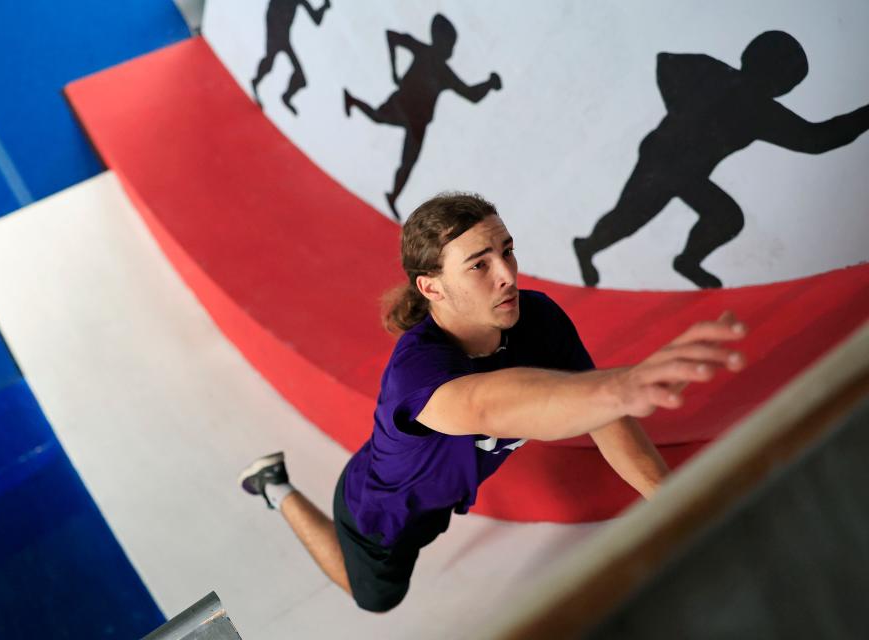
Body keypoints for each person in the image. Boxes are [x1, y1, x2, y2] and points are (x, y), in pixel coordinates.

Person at [239, 193, 748, 612]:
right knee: (375, 597)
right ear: (431, 287)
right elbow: (487, 407)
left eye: (507, 251)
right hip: (379, 513)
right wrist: (618, 388)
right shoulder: (417, 371)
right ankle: (275, 488)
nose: (507, 274)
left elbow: (605, 422)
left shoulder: (537, 317)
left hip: (442, 496)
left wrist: (677, 501)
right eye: (479, 264)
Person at [573, 30, 869, 289]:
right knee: (628, 218)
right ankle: (588, 248)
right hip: (662, 160)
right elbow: (666, 62)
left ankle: (687, 261)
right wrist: (679, 109)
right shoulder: (723, 81)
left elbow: (817, 139)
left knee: (726, 218)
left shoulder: (756, 108)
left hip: (687, 173)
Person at [343, 14, 502, 219]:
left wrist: (489, 84)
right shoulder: (426, 54)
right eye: (449, 45)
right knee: (378, 118)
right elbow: (392, 37)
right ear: (441, 42)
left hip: (418, 122)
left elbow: (471, 95)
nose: (451, 50)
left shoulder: (442, 70)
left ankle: (393, 196)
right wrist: (394, 70)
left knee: (407, 161)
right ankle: (352, 100)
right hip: (403, 106)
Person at [251, 0, 332, 115]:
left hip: (284, 39)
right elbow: (270, 11)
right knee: (269, 64)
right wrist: (272, 32)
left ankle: (286, 97)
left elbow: (316, 19)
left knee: (301, 79)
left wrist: (324, 7)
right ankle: (255, 82)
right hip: (275, 35)